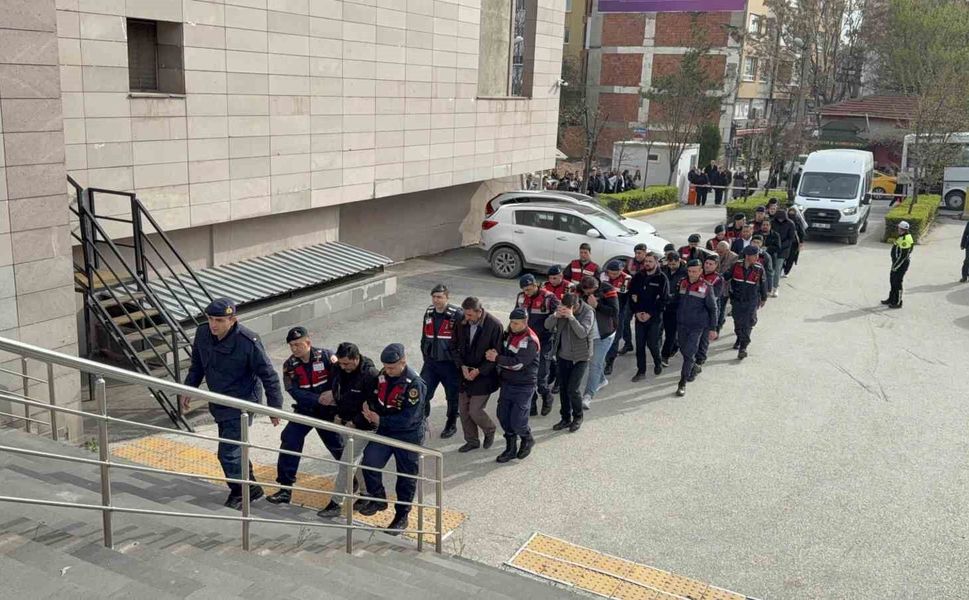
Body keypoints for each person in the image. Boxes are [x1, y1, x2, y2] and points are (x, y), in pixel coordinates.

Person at [180, 298, 282, 510]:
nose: (213, 325)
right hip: (219, 400)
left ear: (232, 320)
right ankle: (251, 486)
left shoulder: (247, 341)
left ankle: (242, 491)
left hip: (242, 403)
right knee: (235, 449)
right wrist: (187, 389)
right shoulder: (203, 333)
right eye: (210, 319)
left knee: (228, 452)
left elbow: (269, 375)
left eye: (219, 320)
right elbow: (197, 365)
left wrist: (274, 409)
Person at [266, 327, 344, 507]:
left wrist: (333, 395)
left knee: (339, 448)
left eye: (298, 344)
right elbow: (293, 390)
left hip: (328, 413)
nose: (294, 349)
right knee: (289, 439)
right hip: (305, 410)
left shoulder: (326, 356)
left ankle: (354, 481)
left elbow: (341, 379)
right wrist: (318, 399)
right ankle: (285, 488)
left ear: (308, 342)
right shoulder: (290, 365)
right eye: (291, 345)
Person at [358, 343, 427, 533]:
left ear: (403, 362)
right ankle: (378, 499)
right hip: (385, 430)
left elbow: (409, 418)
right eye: (386, 367)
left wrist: (380, 420)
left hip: (407, 435)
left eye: (391, 368)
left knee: (405, 477)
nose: (387, 371)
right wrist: (368, 406)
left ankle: (401, 516)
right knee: (370, 462)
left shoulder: (415, 385)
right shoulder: (383, 375)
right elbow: (375, 394)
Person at [316, 341, 378, 518]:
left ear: (357, 358)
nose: (344, 367)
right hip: (344, 423)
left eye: (347, 364)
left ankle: (336, 503)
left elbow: (372, 404)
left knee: (347, 463)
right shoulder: (338, 368)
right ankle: (366, 494)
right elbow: (337, 391)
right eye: (341, 363)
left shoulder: (370, 375)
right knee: (355, 462)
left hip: (363, 427)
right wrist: (337, 415)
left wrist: (355, 421)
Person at [487, 308, 540, 463]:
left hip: (524, 386)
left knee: (518, 420)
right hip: (507, 383)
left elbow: (518, 365)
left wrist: (496, 359)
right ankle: (510, 448)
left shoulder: (530, 341)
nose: (512, 326)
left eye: (516, 323)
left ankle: (527, 438)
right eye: (511, 322)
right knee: (503, 416)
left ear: (525, 323)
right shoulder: (509, 333)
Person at [451, 296, 501, 453]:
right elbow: (453, 346)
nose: (466, 318)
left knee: (475, 410)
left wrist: (479, 371)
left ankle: (490, 429)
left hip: (484, 375)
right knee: (464, 411)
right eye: (465, 314)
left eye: (470, 315)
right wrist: (462, 366)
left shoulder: (494, 325)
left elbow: (497, 355)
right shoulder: (461, 321)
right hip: (464, 373)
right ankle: (472, 441)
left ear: (479, 312)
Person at [545, 292, 595, 433]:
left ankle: (578, 417)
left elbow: (582, 333)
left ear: (576, 305)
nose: (566, 310)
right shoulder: (561, 309)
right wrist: (555, 315)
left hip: (581, 357)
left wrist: (572, 318)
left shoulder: (588, 312)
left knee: (573, 389)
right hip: (563, 355)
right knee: (563, 389)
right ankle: (565, 418)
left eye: (569, 308)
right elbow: (547, 325)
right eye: (564, 307)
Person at [420, 284, 463, 438]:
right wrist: (425, 355)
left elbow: (463, 340)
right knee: (422, 393)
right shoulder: (429, 312)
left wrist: (459, 363)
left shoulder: (457, 314)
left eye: (440, 297)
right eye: (434, 297)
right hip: (431, 363)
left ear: (447, 297)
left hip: (450, 365)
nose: (436, 300)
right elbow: (424, 336)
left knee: (452, 397)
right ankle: (422, 422)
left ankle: (451, 424)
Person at [515, 274, 559, 415]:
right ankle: (532, 404)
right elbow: (516, 316)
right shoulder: (521, 297)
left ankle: (547, 397)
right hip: (527, 342)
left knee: (541, 377)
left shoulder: (549, 297)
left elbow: (557, 317)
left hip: (544, 341)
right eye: (524, 289)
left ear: (535, 285)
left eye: (529, 289)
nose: (526, 292)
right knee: (528, 375)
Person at [675, 259, 718, 396]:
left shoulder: (706, 286)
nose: (692, 274)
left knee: (688, 353)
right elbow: (676, 300)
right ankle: (693, 366)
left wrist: (713, 328)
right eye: (689, 271)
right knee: (683, 349)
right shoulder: (682, 282)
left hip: (697, 326)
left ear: (700, 271)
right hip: (682, 324)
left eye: (695, 271)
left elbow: (713, 308)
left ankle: (682, 383)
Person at [578, 275, 619, 409]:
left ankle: (588, 396)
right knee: (594, 361)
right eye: (587, 292)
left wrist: (597, 305)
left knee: (594, 364)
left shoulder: (608, 290)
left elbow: (614, 311)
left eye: (592, 291)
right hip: (588, 334)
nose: (590, 294)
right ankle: (601, 380)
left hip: (604, 334)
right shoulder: (579, 290)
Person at [628, 252, 669, 382]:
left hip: (654, 318)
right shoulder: (638, 277)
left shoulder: (662, 278)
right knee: (639, 345)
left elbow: (663, 300)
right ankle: (641, 371)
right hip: (639, 316)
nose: (647, 263)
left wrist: (650, 314)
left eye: (650, 261)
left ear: (656, 263)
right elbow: (632, 295)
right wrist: (637, 312)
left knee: (652, 344)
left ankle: (657, 362)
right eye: (646, 261)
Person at [727, 246, 768, 359]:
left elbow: (763, 284)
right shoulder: (736, 266)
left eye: (757, 256)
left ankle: (743, 348)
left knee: (748, 323)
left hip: (751, 301)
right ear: (747, 256)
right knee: (737, 322)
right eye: (755, 256)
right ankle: (739, 338)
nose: (757, 258)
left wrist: (764, 298)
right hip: (737, 300)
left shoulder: (759, 269)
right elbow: (726, 276)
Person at [601, 260, 631, 375]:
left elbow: (626, 297)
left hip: (619, 311)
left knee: (615, 337)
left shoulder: (627, 279)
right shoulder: (603, 276)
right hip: (603, 310)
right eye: (610, 273)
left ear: (621, 271)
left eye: (615, 273)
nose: (612, 275)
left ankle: (609, 362)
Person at [696, 253, 725, 364]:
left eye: (710, 264)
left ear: (716, 265)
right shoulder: (698, 274)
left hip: (708, 311)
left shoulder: (718, 279)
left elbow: (715, 296)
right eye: (706, 263)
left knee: (704, 338)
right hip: (694, 309)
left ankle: (700, 359)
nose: (707, 265)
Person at [660, 251, 688, 366]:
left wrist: (671, 297)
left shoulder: (685, 273)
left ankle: (664, 356)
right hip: (663, 305)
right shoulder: (664, 270)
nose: (671, 267)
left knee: (670, 333)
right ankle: (674, 345)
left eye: (673, 265)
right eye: (669, 264)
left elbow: (683, 292)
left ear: (679, 261)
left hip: (677, 307)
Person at [882, 221, 914, 309]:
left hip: (901, 265)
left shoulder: (905, 240)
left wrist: (895, 267)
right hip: (896, 263)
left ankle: (898, 302)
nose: (897, 229)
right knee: (892, 281)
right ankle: (891, 299)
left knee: (897, 283)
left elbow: (903, 256)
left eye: (899, 228)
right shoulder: (902, 237)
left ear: (902, 229)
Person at [771, 207, 798, 288]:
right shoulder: (772, 222)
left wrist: (781, 246)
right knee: (771, 268)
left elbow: (791, 238)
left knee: (777, 268)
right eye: (779, 218)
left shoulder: (790, 224)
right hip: (773, 247)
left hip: (784, 249)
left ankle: (775, 286)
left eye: (782, 218)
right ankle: (769, 284)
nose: (780, 220)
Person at [760, 221, 782, 298]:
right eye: (763, 225)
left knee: (769, 274)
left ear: (770, 226)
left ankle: (771, 289)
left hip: (771, 259)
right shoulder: (756, 234)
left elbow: (778, 248)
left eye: (767, 225)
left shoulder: (776, 235)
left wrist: (767, 248)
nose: (765, 226)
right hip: (758, 258)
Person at [784, 206, 806, 277]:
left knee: (791, 258)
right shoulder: (785, 220)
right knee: (784, 257)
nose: (791, 215)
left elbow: (801, 232)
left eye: (793, 213)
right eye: (790, 213)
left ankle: (786, 272)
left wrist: (801, 243)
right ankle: (782, 269)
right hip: (785, 242)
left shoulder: (798, 221)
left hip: (794, 243)